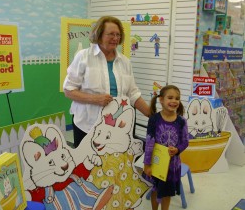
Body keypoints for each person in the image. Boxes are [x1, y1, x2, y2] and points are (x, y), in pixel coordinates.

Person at [63, 15, 150, 148]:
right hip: (87, 125)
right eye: (111, 34)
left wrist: (153, 116)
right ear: (99, 35)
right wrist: (95, 99)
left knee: (114, 165)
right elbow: (68, 90)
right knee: (87, 166)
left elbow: (133, 94)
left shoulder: (125, 62)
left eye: (118, 34)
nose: (115, 38)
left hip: (116, 126)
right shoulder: (84, 57)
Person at [143, 85, 189, 210]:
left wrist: (177, 149)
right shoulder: (154, 119)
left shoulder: (182, 122)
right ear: (161, 100)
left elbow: (185, 142)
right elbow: (149, 143)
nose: (174, 101)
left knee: (167, 193)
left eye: (177, 98)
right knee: (155, 189)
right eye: (170, 97)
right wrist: (147, 164)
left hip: (172, 166)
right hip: (156, 164)